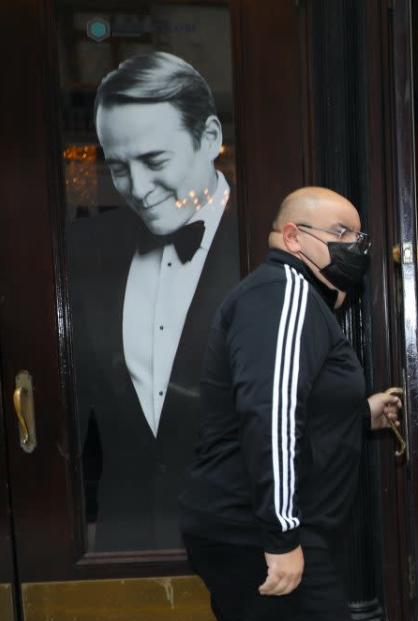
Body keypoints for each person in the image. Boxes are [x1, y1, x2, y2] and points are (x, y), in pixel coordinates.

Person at [178, 186, 418, 621]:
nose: (357, 246)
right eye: (339, 232)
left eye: (359, 232)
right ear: (291, 235)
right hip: (260, 532)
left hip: (234, 528)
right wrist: (282, 536)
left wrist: (360, 411)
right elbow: (271, 413)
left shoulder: (295, 299)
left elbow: (299, 402)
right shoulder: (284, 295)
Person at [68, 51, 239, 552]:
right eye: (119, 168)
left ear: (209, 138)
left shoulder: (264, 241)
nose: (137, 189)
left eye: (154, 161)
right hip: (124, 540)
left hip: (243, 541)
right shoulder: (83, 248)